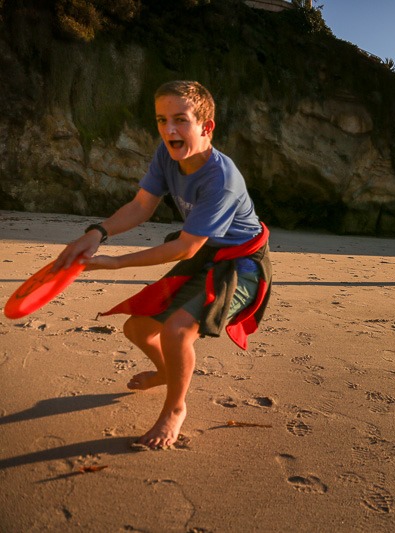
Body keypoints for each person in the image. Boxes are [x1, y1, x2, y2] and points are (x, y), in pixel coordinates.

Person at [54, 80, 273, 449]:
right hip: (204, 253)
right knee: (138, 328)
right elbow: (141, 206)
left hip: (241, 263)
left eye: (180, 120)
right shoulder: (166, 155)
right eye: (161, 119)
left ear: (207, 127)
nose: (169, 130)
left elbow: (185, 248)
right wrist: (97, 233)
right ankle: (164, 372)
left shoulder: (222, 179)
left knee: (176, 331)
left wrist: (113, 263)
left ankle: (175, 409)